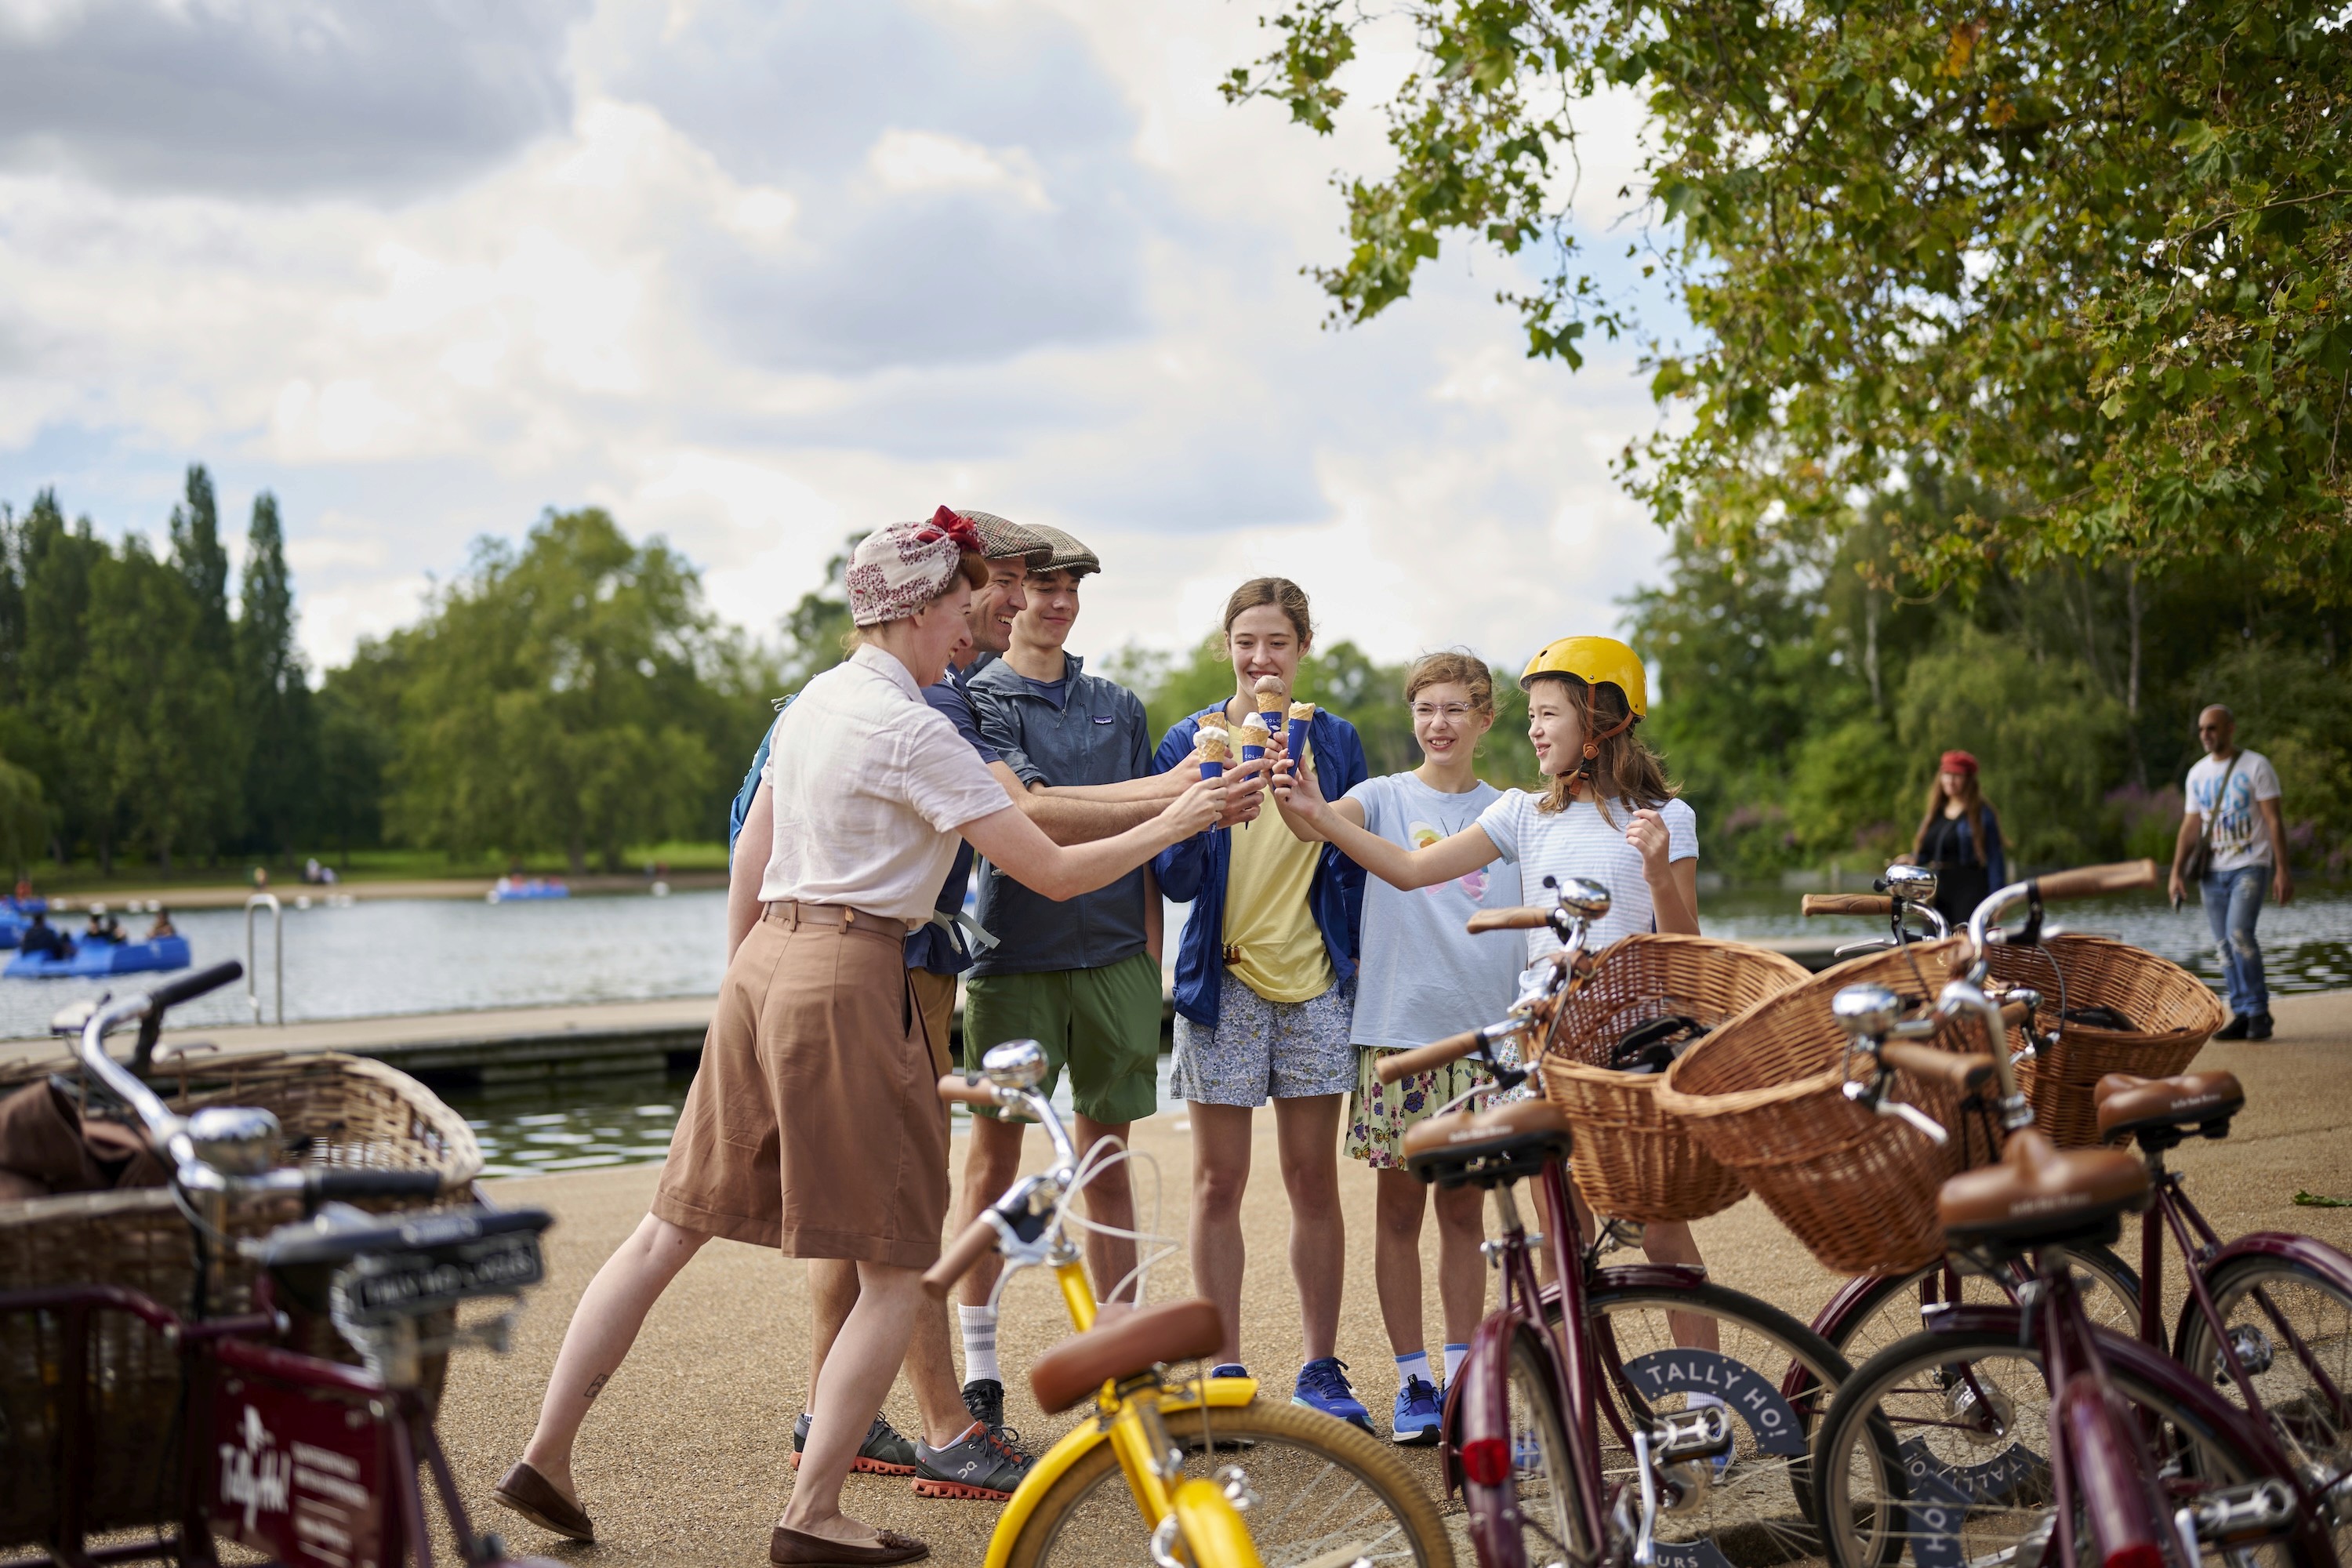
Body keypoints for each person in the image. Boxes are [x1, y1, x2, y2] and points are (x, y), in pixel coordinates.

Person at [1273, 635, 1723, 1368]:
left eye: (1550, 714)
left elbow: (1685, 949)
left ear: (1600, 717)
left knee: (1657, 1224)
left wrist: (1658, 873)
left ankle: (1704, 1396)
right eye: (1532, 717)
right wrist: (1319, 815)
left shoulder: (1666, 816)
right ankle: (1584, 1406)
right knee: (1560, 1236)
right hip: (1539, 1050)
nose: (1535, 730)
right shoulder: (1523, 814)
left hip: (1629, 1047)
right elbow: (1415, 870)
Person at [952, 527, 1174, 1421]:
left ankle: (1123, 1362)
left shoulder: (1118, 704)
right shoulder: (979, 700)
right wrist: (1179, 793)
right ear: (1013, 599)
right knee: (997, 1160)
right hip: (1018, 960)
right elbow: (1041, 819)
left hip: (1118, 958)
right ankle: (980, 1367)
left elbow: (1150, 850)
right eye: (1041, 586)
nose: (1056, 601)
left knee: (1110, 1161)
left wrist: (1150, 959)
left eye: (1071, 586)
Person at [1151, 577, 1375, 1432]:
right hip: (1225, 982)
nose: (1260, 659)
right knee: (1217, 1181)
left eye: (1276, 642)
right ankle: (1223, 1370)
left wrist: (1307, 804)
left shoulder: (1336, 738)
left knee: (1313, 1179)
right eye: (1246, 642)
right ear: (1228, 647)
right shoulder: (1192, 736)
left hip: (1316, 980)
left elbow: (1356, 863)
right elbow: (1171, 879)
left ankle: (1321, 1368)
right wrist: (1209, 801)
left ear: (1302, 647)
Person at [1332, 652, 1523, 1443]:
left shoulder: (1512, 810)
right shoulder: (1378, 798)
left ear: (1484, 718)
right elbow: (1308, 818)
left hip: (1484, 1035)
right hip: (1399, 1032)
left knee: (1465, 1212)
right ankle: (1413, 1382)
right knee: (1400, 1207)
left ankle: (1462, 1376)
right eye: (1424, 708)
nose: (1437, 723)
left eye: (1454, 708)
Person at [2169, 703, 2292, 1041]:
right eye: (2202, 729)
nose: (2206, 735)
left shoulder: (2256, 766)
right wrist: (2175, 872)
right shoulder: (2197, 773)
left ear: (2230, 729)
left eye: (2213, 728)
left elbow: (2274, 821)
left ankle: (2259, 1013)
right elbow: (2191, 825)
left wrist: (2283, 869)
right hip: (2213, 871)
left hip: (2250, 865)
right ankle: (2241, 1013)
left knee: (2240, 933)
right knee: (2223, 945)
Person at [1900, 750, 2006, 929]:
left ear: (1968, 780)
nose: (1950, 780)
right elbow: (1929, 850)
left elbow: (1995, 859)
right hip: (1938, 892)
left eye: (1957, 775)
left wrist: (1998, 900)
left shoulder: (1982, 814)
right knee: (1932, 944)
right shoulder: (1935, 813)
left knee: (1965, 945)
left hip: (1969, 890)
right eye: (1947, 774)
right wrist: (1912, 859)